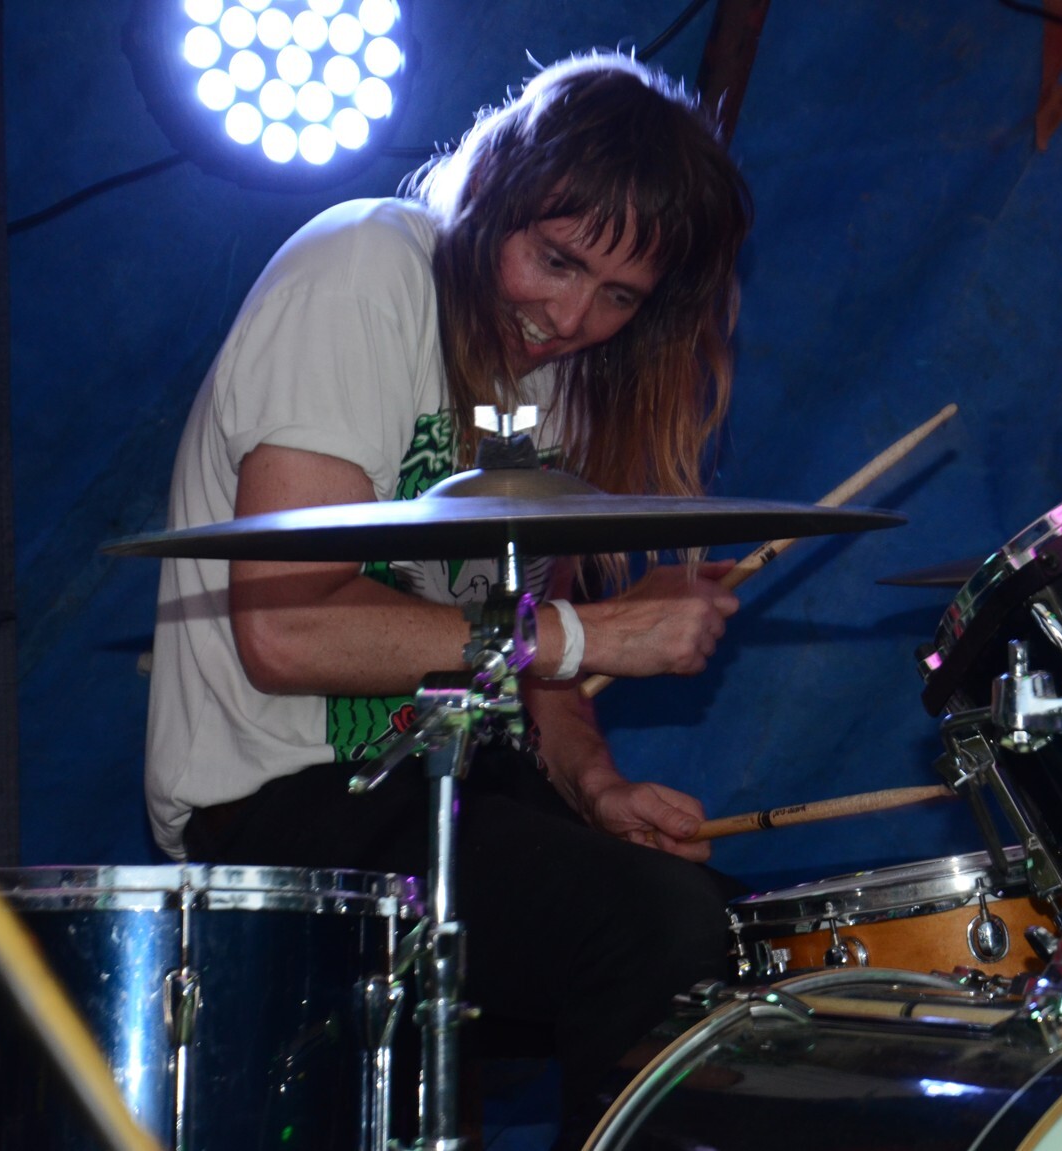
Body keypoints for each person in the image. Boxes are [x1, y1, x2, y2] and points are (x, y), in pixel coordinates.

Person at [144, 50, 754, 1138]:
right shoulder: (364, 270)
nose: (570, 315)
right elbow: (285, 627)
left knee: (736, 947)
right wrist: (586, 633)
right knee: (657, 931)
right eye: (556, 260)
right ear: (496, 191)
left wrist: (596, 785)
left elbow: (518, 647)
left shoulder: (558, 378)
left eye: (618, 296)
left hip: (451, 787)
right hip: (285, 805)